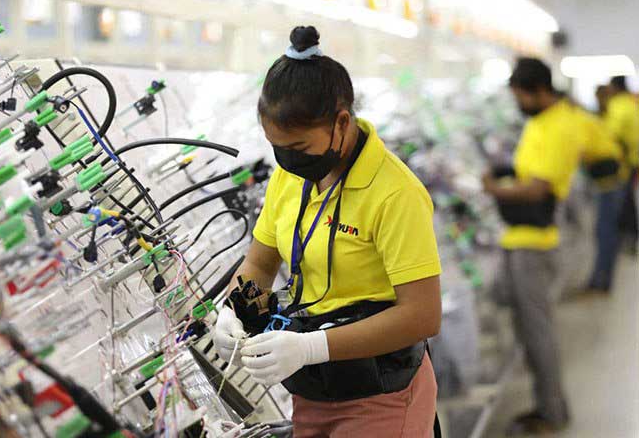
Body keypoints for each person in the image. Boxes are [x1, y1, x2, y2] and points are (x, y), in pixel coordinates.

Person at [213, 26, 442, 437]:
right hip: (314, 392)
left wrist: (312, 347)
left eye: (299, 148)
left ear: (342, 122)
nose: (287, 160)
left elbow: (421, 315)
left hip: (380, 395)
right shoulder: (289, 178)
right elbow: (260, 264)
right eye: (276, 147)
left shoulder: (394, 194)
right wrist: (233, 310)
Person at [482, 57, 577, 434]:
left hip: (534, 245)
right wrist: (507, 173)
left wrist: (493, 188)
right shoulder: (541, 122)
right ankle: (547, 405)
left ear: (538, 91)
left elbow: (539, 188)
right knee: (527, 327)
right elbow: (529, 172)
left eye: (520, 96)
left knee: (538, 332)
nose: (518, 103)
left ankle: (552, 412)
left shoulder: (558, 126)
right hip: (520, 239)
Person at [572, 100, 628, 293]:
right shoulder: (586, 118)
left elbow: (577, 151)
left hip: (608, 181)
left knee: (605, 231)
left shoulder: (577, 121)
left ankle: (601, 280)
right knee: (605, 230)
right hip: (611, 177)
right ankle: (601, 279)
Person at [605, 76, 639, 251]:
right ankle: (631, 236)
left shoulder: (617, 105)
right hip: (634, 158)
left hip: (624, 162)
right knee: (628, 199)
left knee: (623, 201)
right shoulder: (632, 103)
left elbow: (612, 135)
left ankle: (626, 237)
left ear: (616, 87)